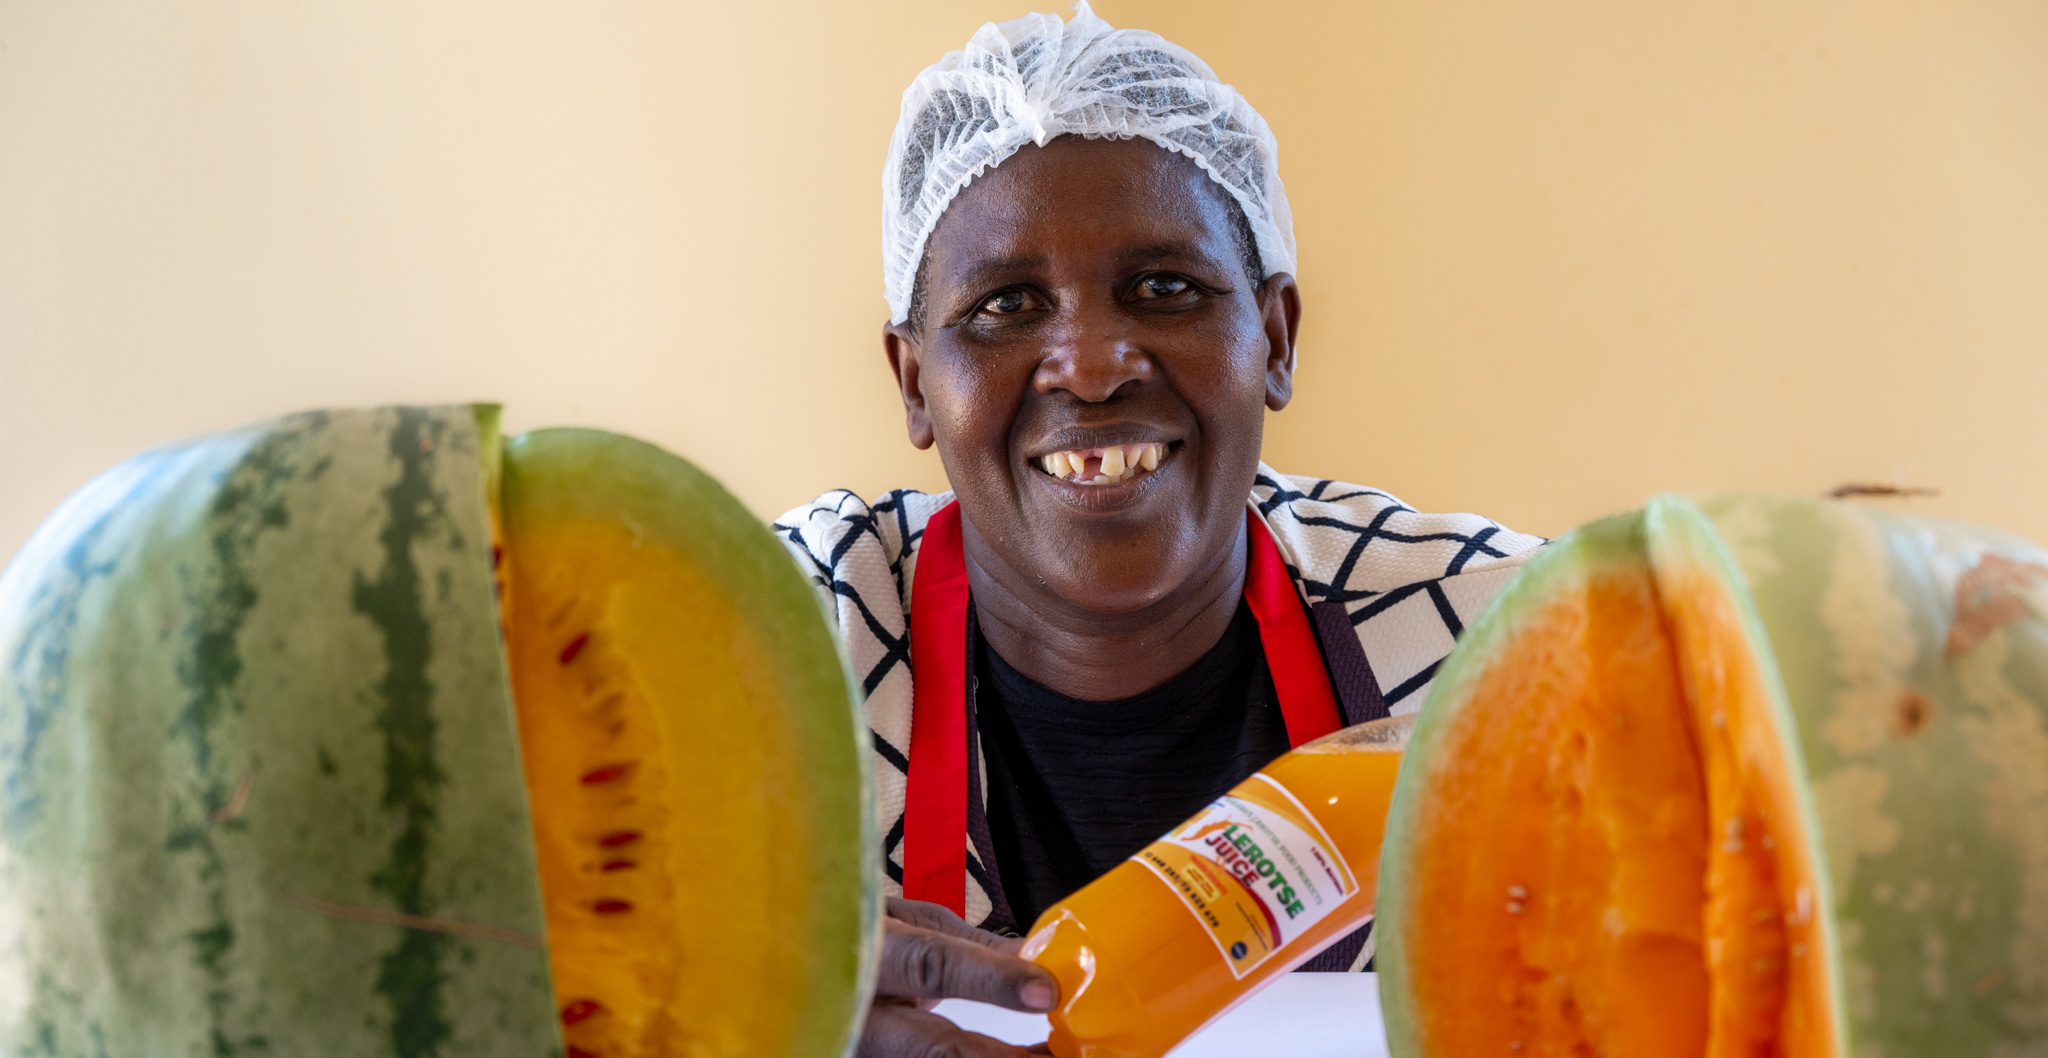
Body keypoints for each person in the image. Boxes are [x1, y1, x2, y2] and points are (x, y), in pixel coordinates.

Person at [774, 5, 1543, 1054]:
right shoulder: (779, 639)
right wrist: (715, 990)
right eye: (1003, 304)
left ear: (1272, 338)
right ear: (914, 381)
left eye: (1164, 287)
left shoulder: (1493, 640)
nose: (1089, 366)